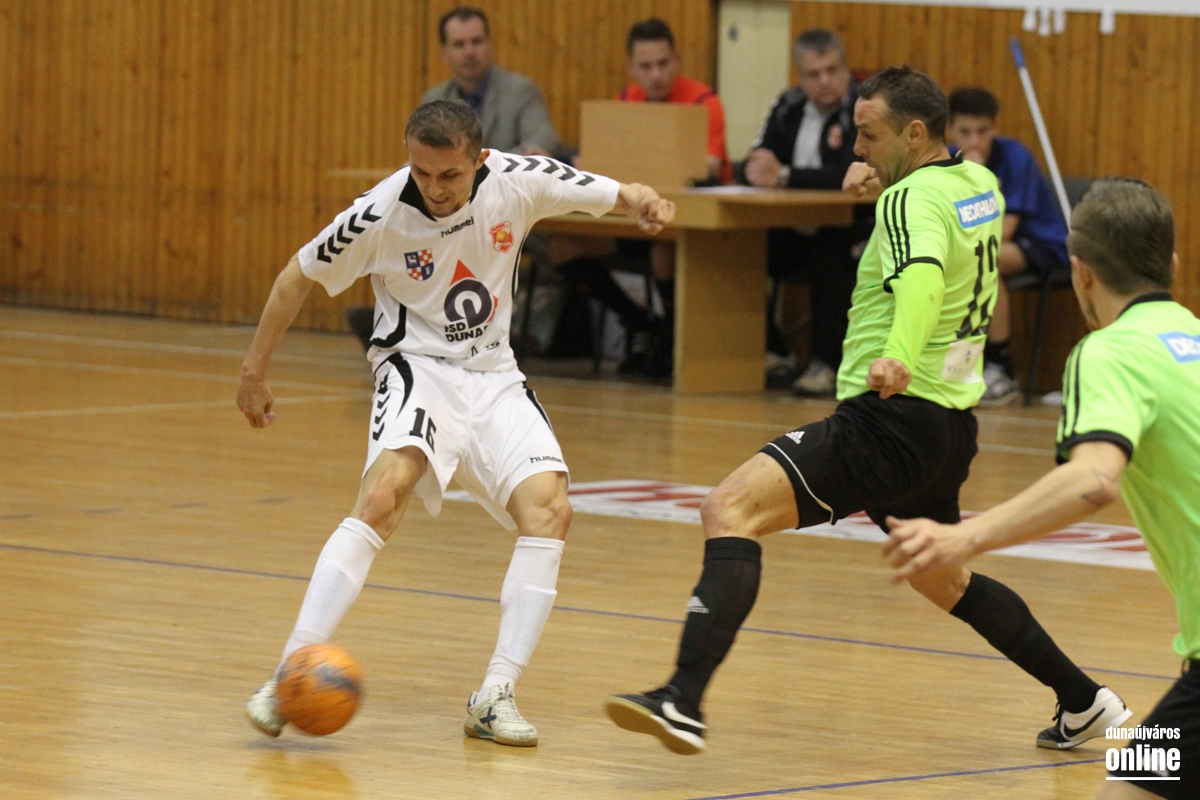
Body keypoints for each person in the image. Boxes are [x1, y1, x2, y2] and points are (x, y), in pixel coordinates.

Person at [604, 67, 1128, 756]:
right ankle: (1085, 701)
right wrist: (884, 183)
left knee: (728, 509)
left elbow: (923, 275)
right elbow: (937, 219)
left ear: (914, 133)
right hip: (947, 430)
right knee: (945, 577)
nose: (856, 148)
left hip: (887, 418)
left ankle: (682, 697)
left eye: (868, 135)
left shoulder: (910, 201)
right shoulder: (977, 182)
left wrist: (898, 354)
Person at [239, 100, 674, 746]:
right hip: (416, 368)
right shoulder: (380, 212)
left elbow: (604, 192)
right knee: (384, 496)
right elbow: (294, 279)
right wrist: (254, 371)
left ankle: (494, 696)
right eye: (422, 172)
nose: (435, 188)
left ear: (480, 160)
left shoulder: (516, 180)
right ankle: (286, 677)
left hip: (494, 376)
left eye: (450, 175)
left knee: (550, 508)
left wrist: (643, 199)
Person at [884, 178, 1197, 800]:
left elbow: (1094, 478)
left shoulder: (1110, 353)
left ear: (1081, 274)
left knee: (1128, 789)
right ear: (1173, 264)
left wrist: (965, 537)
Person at [347, 6, 570, 351]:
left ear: (490, 44)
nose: (469, 51)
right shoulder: (434, 100)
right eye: (459, 44)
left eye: (476, 42)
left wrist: (470, 170)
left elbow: (542, 146)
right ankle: (399, 319)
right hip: (448, 206)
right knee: (404, 225)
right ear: (445, 52)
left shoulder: (520, 92)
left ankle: (431, 330)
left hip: (503, 207)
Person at [742, 28, 874, 395]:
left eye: (832, 70)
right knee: (741, 248)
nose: (824, 81)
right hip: (792, 225)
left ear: (846, 69)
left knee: (833, 255)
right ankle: (772, 352)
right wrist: (754, 169)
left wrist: (785, 175)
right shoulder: (788, 106)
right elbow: (760, 159)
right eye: (814, 74)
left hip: (851, 223)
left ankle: (826, 363)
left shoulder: (862, 109)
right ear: (800, 77)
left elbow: (849, 173)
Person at [946, 87, 1069, 405]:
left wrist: (976, 178)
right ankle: (957, 361)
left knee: (984, 258)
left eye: (983, 131)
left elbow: (1002, 232)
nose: (975, 141)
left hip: (1038, 242)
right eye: (965, 132)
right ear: (950, 129)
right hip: (974, 245)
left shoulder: (1016, 158)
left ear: (995, 128)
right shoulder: (945, 162)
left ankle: (1002, 367)